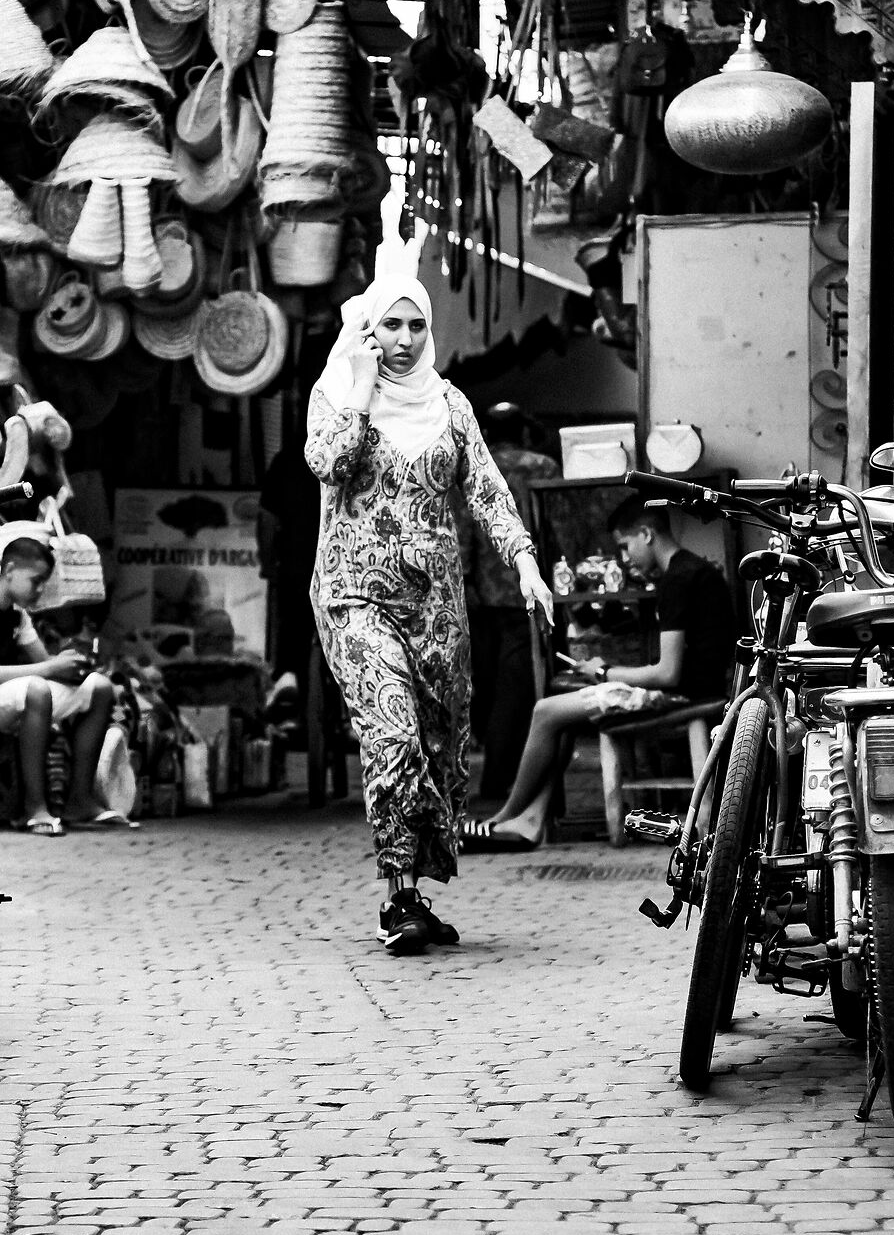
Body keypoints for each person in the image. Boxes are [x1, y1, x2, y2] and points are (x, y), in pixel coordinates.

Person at [307, 276, 554, 955]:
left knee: (438, 746)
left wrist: (525, 562)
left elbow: (489, 491)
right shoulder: (334, 393)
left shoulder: (450, 404)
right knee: (393, 733)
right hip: (356, 595)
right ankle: (397, 899)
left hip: (438, 607)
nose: (405, 340)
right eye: (392, 326)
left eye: (416, 326)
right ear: (368, 330)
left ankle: (414, 887)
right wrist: (359, 386)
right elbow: (328, 462)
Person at [467, 493, 737, 850]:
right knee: (562, 722)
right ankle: (530, 821)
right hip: (702, 687)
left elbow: (667, 674)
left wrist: (606, 672)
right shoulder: (696, 570)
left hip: (683, 695)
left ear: (647, 534)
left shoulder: (678, 579)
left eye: (625, 547)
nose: (625, 560)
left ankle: (500, 817)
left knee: (545, 711)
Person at [0, 536, 129, 837]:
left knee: (100, 688)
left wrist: (72, 666)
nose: (39, 590)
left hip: (11, 698)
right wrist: (51, 667)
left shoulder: (19, 615)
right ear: (10, 569)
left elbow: (44, 664)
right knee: (37, 688)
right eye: (36, 581)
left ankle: (79, 801)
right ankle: (34, 808)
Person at [463, 402, 561, 800]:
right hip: (530, 590)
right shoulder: (541, 467)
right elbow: (557, 527)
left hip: (483, 595)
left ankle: (498, 775)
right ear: (523, 430)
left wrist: (468, 581)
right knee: (519, 690)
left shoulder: (473, 465)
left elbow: (462, 530)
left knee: (489, 685)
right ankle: (503, 780)